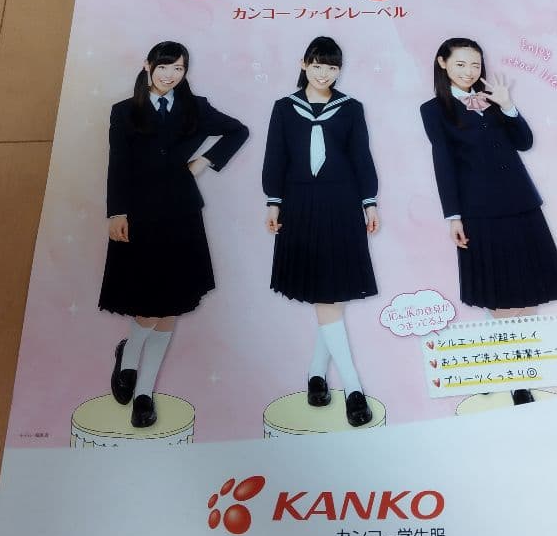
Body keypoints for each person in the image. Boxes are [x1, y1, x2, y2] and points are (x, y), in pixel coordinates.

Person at [100, 40, 248, 428]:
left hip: (181, 212)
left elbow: (238, 131)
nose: (170, 75)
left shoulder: (195, 107)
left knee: (171, 307)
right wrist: (116, 211)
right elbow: (118, 164)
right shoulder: (124, 111)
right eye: (164, 67)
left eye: (179, 68)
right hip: (139, 212)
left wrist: (204, 161)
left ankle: (144, 393)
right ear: (148, 65)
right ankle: (128, 355)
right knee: (148, 304)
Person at [420, 38, 557, 403]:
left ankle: (511, 365)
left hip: (521, 203)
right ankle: (516, 379)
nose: (469, 71)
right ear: (442, 63)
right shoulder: (433, 110)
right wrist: (453, 216)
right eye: (461, 64)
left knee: (529, 289)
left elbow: (524, 142)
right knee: (499, 295)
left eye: (475, 65)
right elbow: (444, 164)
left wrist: (508, 106)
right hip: (479, 211)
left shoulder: (493, 97)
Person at [262, 36, 379, 428]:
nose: (324, 73)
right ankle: (347, 386)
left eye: (332, 67)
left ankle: (330, 380)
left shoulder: (351, 108)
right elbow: (275, 157)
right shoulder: (284, 108)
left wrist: (369, 202)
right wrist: (273, 202)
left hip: (342, 204)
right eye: (317, 65)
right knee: (325, 296)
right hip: (299, 205)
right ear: (304, 64)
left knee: (330, 295)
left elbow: (361, 156)